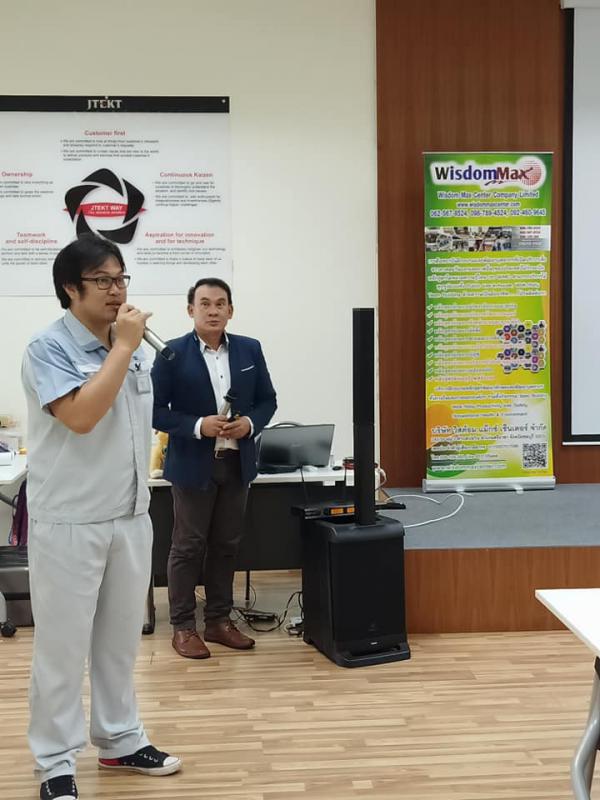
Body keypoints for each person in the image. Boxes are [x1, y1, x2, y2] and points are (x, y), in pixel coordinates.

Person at [22, 234, 181, 800]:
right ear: (71, 288)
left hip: (130, 514)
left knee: (119, 643)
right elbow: (82, 416)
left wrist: (125, 347)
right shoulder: (48, 348)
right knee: (62, 649)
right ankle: (54, 762)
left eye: (121, 279)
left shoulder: (128, 347)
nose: (117, 291)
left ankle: (118, 740)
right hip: (70, 520)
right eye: (103, 281)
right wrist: (122, 349)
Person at [151, 278, 277, 659]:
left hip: (237, 463)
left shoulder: (249, 348)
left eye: (220, 304)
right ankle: (183, 626)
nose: (213, 310)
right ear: (191, 310)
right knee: (188, 547)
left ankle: (219, 621)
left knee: (226, 545)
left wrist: (249, 424)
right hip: (192, 465)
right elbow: (154, 410)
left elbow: (267, 401)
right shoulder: (171, 353)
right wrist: (197, 426)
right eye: (204, 303)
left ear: (230, 310)